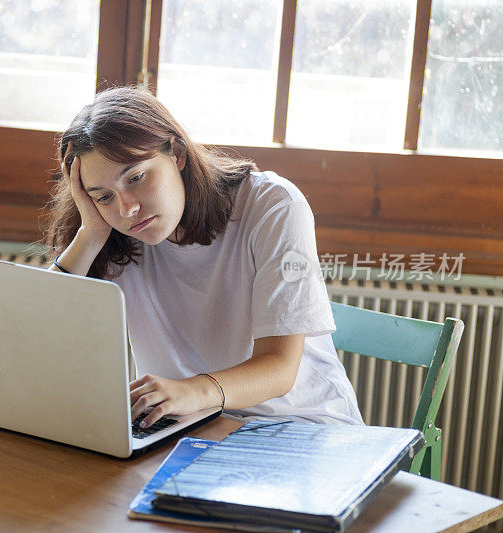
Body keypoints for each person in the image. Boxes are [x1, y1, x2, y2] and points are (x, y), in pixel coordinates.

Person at [42, 85, 363, 429]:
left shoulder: (273, 206)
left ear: (176, 153)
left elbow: (280, 368)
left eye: (136, 177)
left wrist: (191, 392)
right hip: (192, 426)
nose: (127, 209)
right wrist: (89, 234)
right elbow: (37, 333)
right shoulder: (112, 233)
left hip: (301, 424)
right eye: (103, 196)